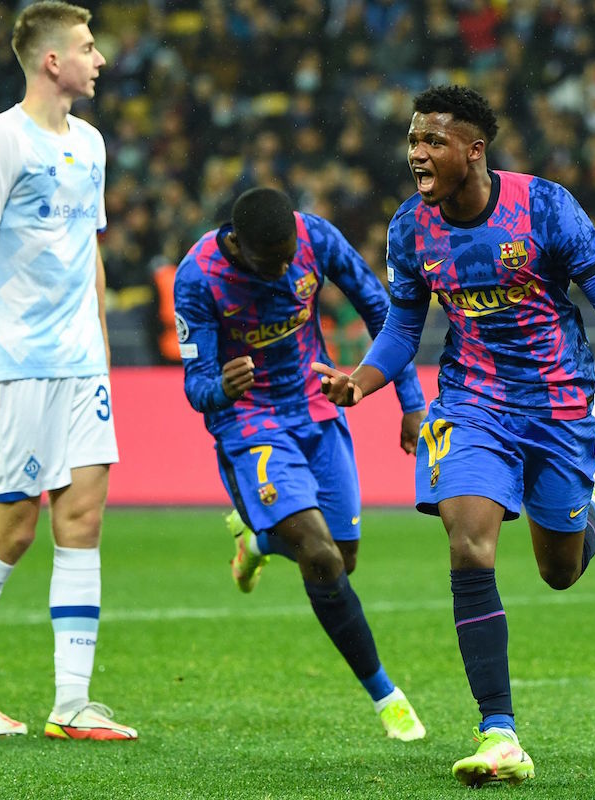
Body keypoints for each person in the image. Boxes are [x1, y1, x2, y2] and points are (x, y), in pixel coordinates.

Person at [313, 85, 595, 787]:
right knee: (468, 543)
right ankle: (498, 730)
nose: (418, 152)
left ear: (474, 151)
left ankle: (587, 512)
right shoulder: (412, 228)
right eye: (414, 139)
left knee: (559, 572)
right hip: (472, 402)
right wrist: (361, 380)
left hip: (557, 402)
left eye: (434, 141)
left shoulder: (544, 209)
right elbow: (401, 328)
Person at [0, 1, 136, 741]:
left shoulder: (94, 145)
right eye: (87, 45)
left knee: (84, 516)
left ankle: (72, 703)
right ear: (52, 61)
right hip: (18, 364)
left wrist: (101, 352)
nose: (98, 57)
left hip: (80, 366)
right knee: (13, 529)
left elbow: (89, 252)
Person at [174, 186, 429, 742]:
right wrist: (220, 387)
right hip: (251, 422)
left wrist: (410, 400)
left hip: (315, 404)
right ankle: (387, 696)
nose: (288, 269)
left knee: (344, 559)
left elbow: (381, 308)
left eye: (292, 255)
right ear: (238, 247)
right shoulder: (199, 277)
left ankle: (260, 542)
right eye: (273, 262)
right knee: (320, 557)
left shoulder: (314, 235)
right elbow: (194, 385)